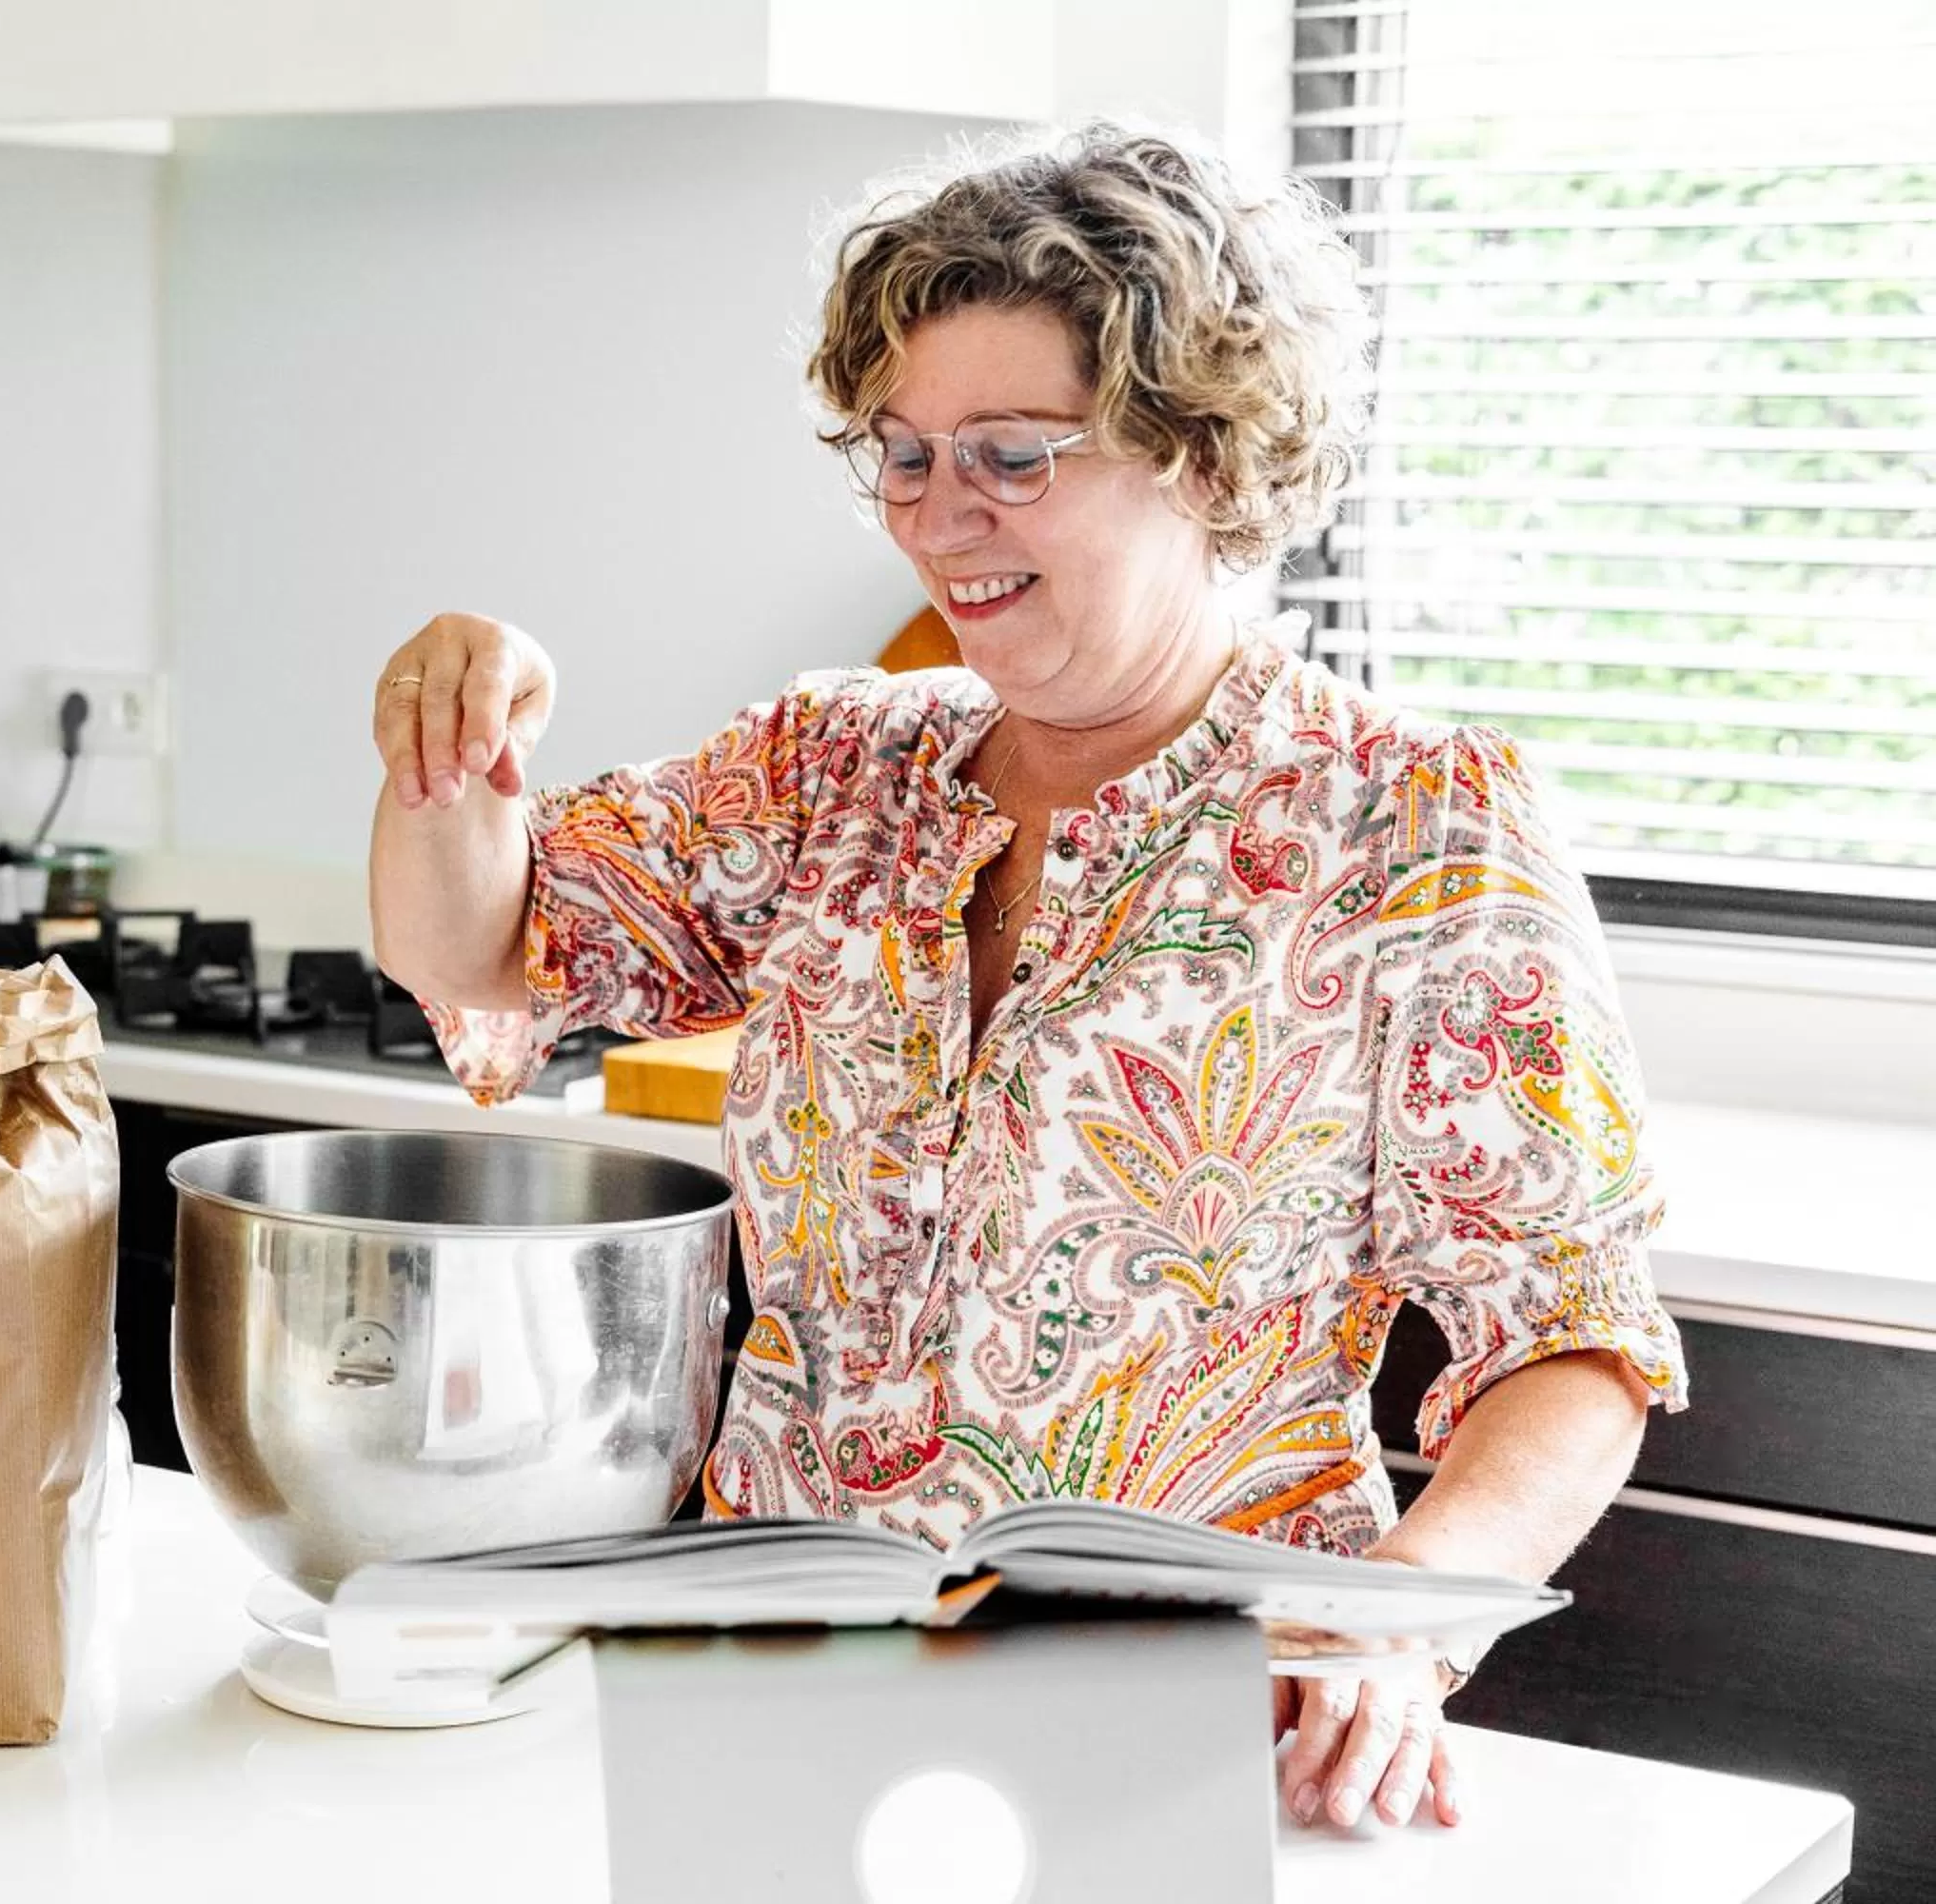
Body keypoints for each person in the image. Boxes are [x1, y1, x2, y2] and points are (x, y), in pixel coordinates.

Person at [365, 122, 1687, 1835]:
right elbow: (475, 948)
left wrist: (1392, 1631)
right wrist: (457, 751)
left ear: (1203, 456)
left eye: (1009, 453)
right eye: (901, 456)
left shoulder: (1411, 822)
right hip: (764, 1701)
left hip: (1196, 1732)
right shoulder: (829, 768)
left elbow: (1570, 1337)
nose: (940, 517)